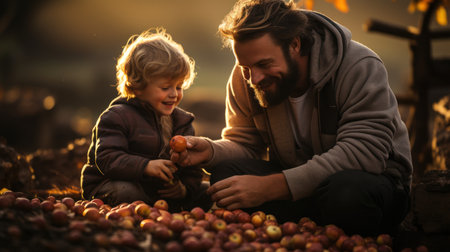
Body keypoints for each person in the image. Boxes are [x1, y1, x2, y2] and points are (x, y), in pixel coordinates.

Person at [172, 0, 412, 236]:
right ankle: (306, 230)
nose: (254, 79)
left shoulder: (359, 66)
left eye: (264, 64)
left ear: (295, 45)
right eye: (246, 68)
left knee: (346, 195)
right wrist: (211, 151)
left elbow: (364, 153)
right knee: (227, 175)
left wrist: (272, 187)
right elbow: (245, 144)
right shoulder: (246, 77)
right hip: (298, 181)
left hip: (371, 183)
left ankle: (321, 222)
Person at [80, 28, 211, 212]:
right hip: (115, 184)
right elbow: (106, 158)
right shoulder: (117, 117)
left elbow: (192, 166)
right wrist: (145, 166)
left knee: (209, 191)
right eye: (166, 87)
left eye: (179, 86)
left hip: (159, 193)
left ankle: (167, 205)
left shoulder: (182, 121)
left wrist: (183, 189)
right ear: (138, 86)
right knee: (126, 192)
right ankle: (149, 208)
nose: (174, 94)